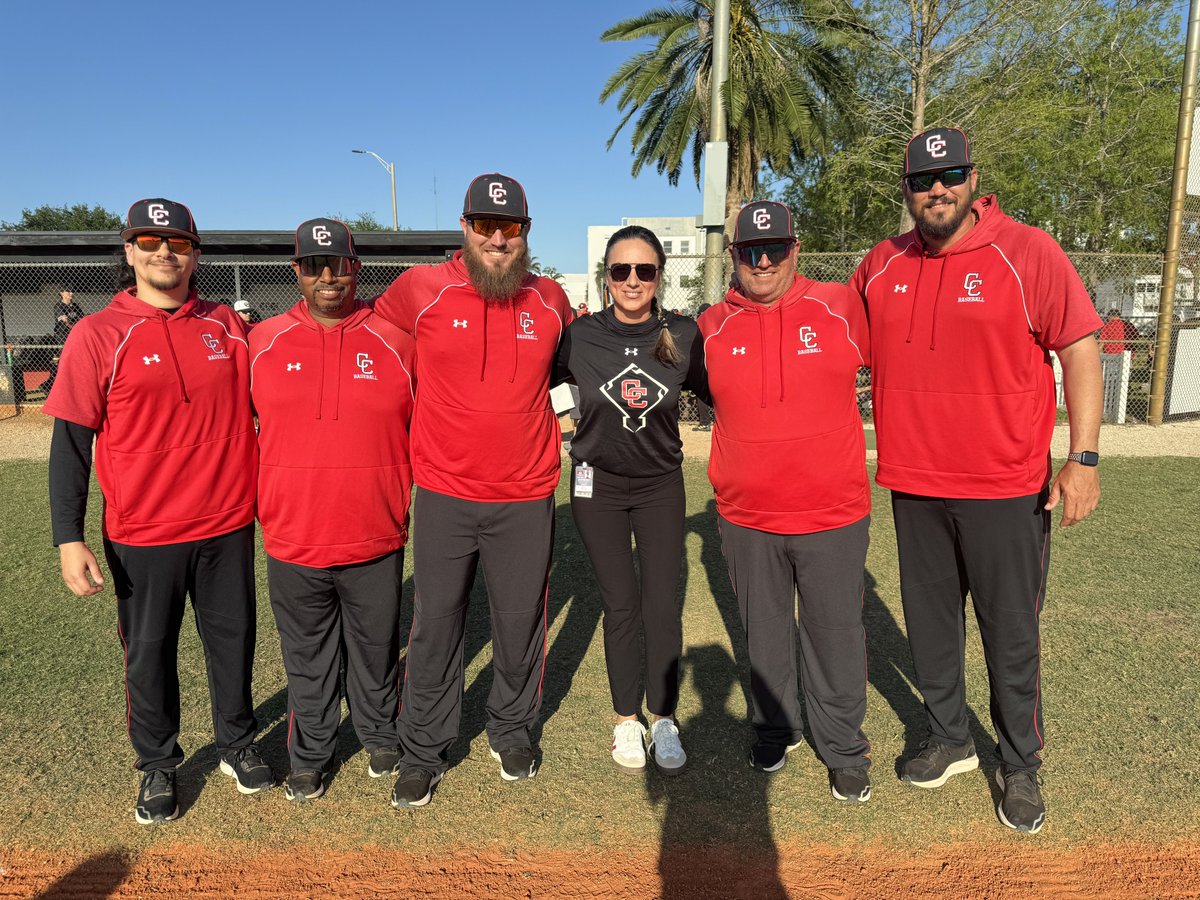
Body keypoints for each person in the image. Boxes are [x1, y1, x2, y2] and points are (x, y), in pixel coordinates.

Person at [850, 127, 1102, 834]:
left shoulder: (1027, 252)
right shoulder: (880, 263)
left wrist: (1082, 460)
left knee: (1009, 635)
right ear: (906, 188)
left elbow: (1080, 349)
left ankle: (1020, 765)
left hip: (1006, 489)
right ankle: (951, 738)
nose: (937, 189)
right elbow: (832, 338)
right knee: (931, 629)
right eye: (924, 179)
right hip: (915, 484)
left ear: (973, 178)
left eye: (950, 175)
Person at [44, 198, 274, 825]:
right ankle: (157, 765)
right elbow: (71, 444)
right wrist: (69, 536)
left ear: (195, 252)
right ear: (129, 251)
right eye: (148, 240)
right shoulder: (98, 334)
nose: (163, 251)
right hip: (142, 533)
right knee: (149, 652)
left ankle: (237, 742)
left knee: (233, 641)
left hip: (227, 522)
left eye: (176, 241)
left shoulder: (227, 324)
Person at [372, 173, 573, 808]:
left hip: (525, 494)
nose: (495, 237)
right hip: (443, 490)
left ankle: (510, 728)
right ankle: (424, 749)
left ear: (525, 234)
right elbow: (376, 357)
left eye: (508, 227)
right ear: (464, 228)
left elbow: (567, 376)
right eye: (483, 225)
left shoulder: (551, 300)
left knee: (519, 622)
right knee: (436, 623)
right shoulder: (418, 291)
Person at [698, 201, 873, 804]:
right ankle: (776, 727)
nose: (764, 259)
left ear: (797, 249)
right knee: (764, 631)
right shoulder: (709, 326)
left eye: (775, 248)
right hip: (747, 517)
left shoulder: (842, 308)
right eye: (751, 250)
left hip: (833, 513)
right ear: (734, 257)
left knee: (835, 632)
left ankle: (844, 747)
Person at [249, 218, 416, 803]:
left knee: (375, 649)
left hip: (374, 531)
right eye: (314, 265)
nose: (327, 276)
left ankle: (379, 735)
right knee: (308, 659)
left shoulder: (397, 342)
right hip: (293, 536)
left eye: (338, 264)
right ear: (296, 271)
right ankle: (310, 755)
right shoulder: (260, 342)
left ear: (356, 268)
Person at [555, 225, 707, 776]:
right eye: (621, 270)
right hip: (597, 485)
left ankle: (663, 716)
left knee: (661, 602)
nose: (633, 280)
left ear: (660, 276)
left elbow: (723, 393)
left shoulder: (686, 335)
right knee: (620, 603)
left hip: (660, 485)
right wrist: (567, 416)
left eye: (645, 270)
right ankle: (627, 721)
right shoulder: (578, 335)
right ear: (607, 277)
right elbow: (539, 383)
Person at [40, 290, 84, 393]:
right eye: (68, 292)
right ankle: (48, 385)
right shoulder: (59, 306)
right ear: (61, 294)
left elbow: (82, 319)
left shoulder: (75, 306)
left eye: (72, 292)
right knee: (64, 363)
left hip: (74, 336)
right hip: (63, 337)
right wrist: (75, 325)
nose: (71, 294)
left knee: (74, 362)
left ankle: (53, 385)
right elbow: (65, 321)